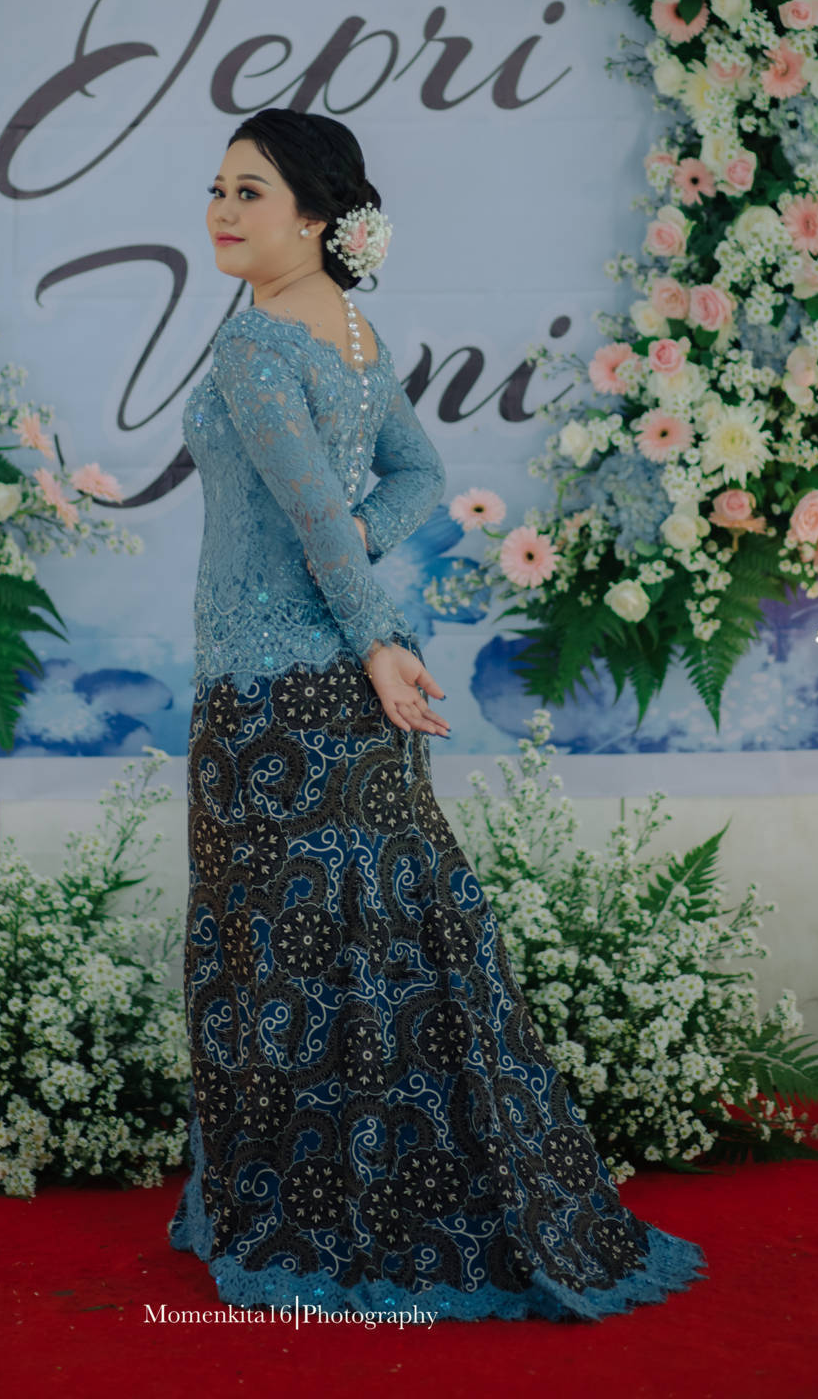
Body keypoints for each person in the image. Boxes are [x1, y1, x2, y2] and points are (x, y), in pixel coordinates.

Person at [167, 107, 709, 1321]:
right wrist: (365, 614)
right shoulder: (349, 330)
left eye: (250, 192)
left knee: (279, 962)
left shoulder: (256, 347)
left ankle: (321, 1216)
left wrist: (366, 632)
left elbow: (322, 517)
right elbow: (409, 480)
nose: (221, 211)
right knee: (375, 952)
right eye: (216, 188)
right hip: (340, 687)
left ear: (316, 217)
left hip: (271, 703)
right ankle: (413, 1196)